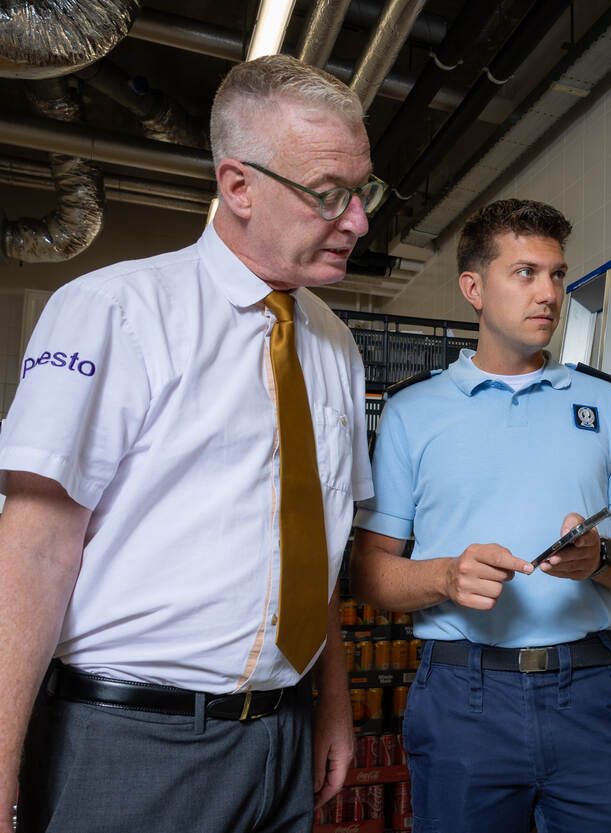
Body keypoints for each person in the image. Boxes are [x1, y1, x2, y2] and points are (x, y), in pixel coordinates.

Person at [0, 54, 378, 832]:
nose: (359, 220)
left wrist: (330, 705)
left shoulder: (336, 344)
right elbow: (33, 549)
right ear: (239, 187)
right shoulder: (116, 311)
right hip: (134, 742)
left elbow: (314, 552)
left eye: (362, 190)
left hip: (283, 736)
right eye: (329, 195)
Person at [350, 198, 611, 833]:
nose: (548, 292)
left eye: (555, 273)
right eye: (525, 272)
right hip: (463, 697)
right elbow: (368, 576)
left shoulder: (602, 402)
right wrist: (444, 578)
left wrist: (597, 557)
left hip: (588, 689)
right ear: (474, 287)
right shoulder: (414, 413)